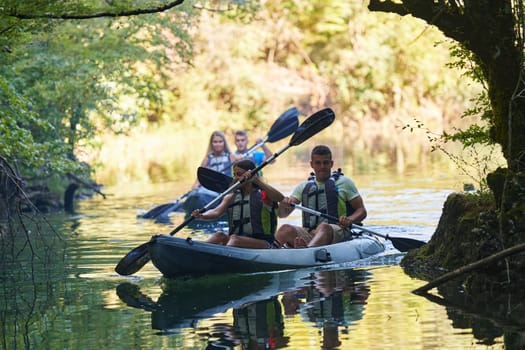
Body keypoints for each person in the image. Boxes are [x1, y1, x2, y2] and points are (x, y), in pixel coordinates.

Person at [276, 145, 366, 248]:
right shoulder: (303, 187)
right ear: (312, 164)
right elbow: (282, 214)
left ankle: (307, 251)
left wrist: (350, 219)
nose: (322, 166)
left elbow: (362, 211)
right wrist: (283, 205)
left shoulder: (345, 183)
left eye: (326, 163)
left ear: (331, 164)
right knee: (285, 229)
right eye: (318, 163)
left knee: (323, 227)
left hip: (337, 230)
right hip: (310, 233)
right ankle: (270, 252)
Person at [191, 159, 283, 249]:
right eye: (234, 175)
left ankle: (223, 259)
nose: (235, 178)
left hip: (264, 243)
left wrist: (256, 180)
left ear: (250, 174)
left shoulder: (263, 194)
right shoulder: (231, 196)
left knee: (235, 239)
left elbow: (280, 198)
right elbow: (215, 212)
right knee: (219, 235)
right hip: (236, 241)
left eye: (239, 174)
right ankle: (197, 251)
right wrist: (201, 215)